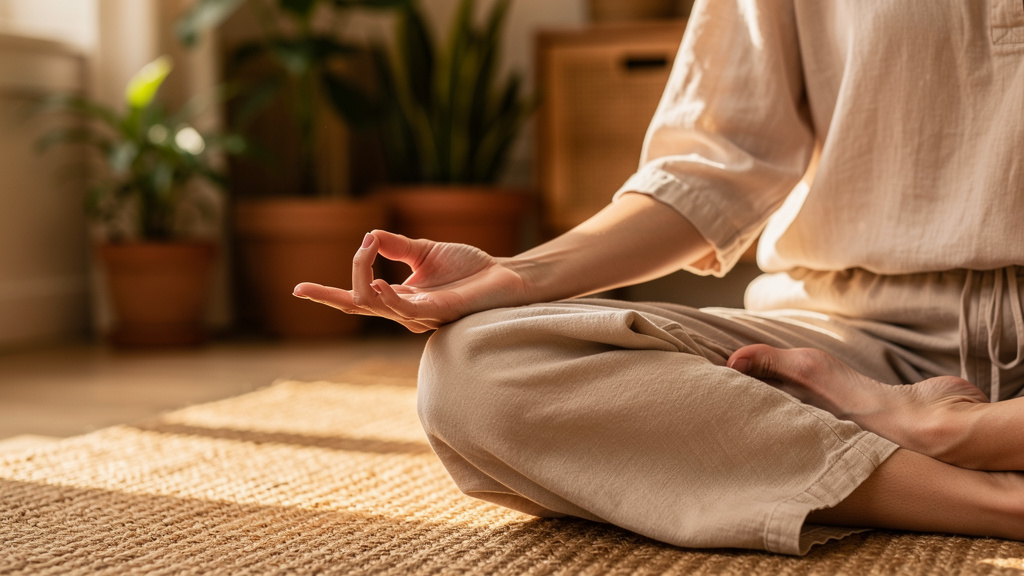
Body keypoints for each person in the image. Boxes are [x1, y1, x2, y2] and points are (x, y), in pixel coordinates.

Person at [293, 0, 1024, 555]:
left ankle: (959, 446)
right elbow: (711, 168)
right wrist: (518, 274)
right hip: (851, 346)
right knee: (474, 370)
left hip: (871, 393)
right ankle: (991, 490)